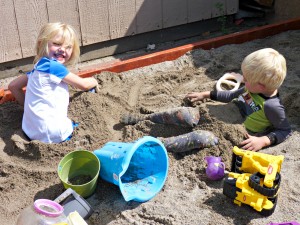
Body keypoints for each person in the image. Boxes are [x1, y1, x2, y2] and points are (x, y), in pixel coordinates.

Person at [184, 48, 291, 152]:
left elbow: (284, 130)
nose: (243, 80)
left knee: (198, 138)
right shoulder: (251, 88)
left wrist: (263, 141)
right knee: (186, 115)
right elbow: (230, 95)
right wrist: (206, 94)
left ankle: (168, 144)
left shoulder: (271, 106)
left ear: (261, 86)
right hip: (222, 116)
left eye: (246, 79)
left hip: (234, 133)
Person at [8, 22, 98, 143]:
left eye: (68, 47)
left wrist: (28, 109)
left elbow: (13, 86)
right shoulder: (53, 67)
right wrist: (94, 80)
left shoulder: (38, 67)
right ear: (41, 44)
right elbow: (83, 85)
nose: (62, 49)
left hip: (29, 131)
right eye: (56, 44)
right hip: (55, 133)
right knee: (90, 91)